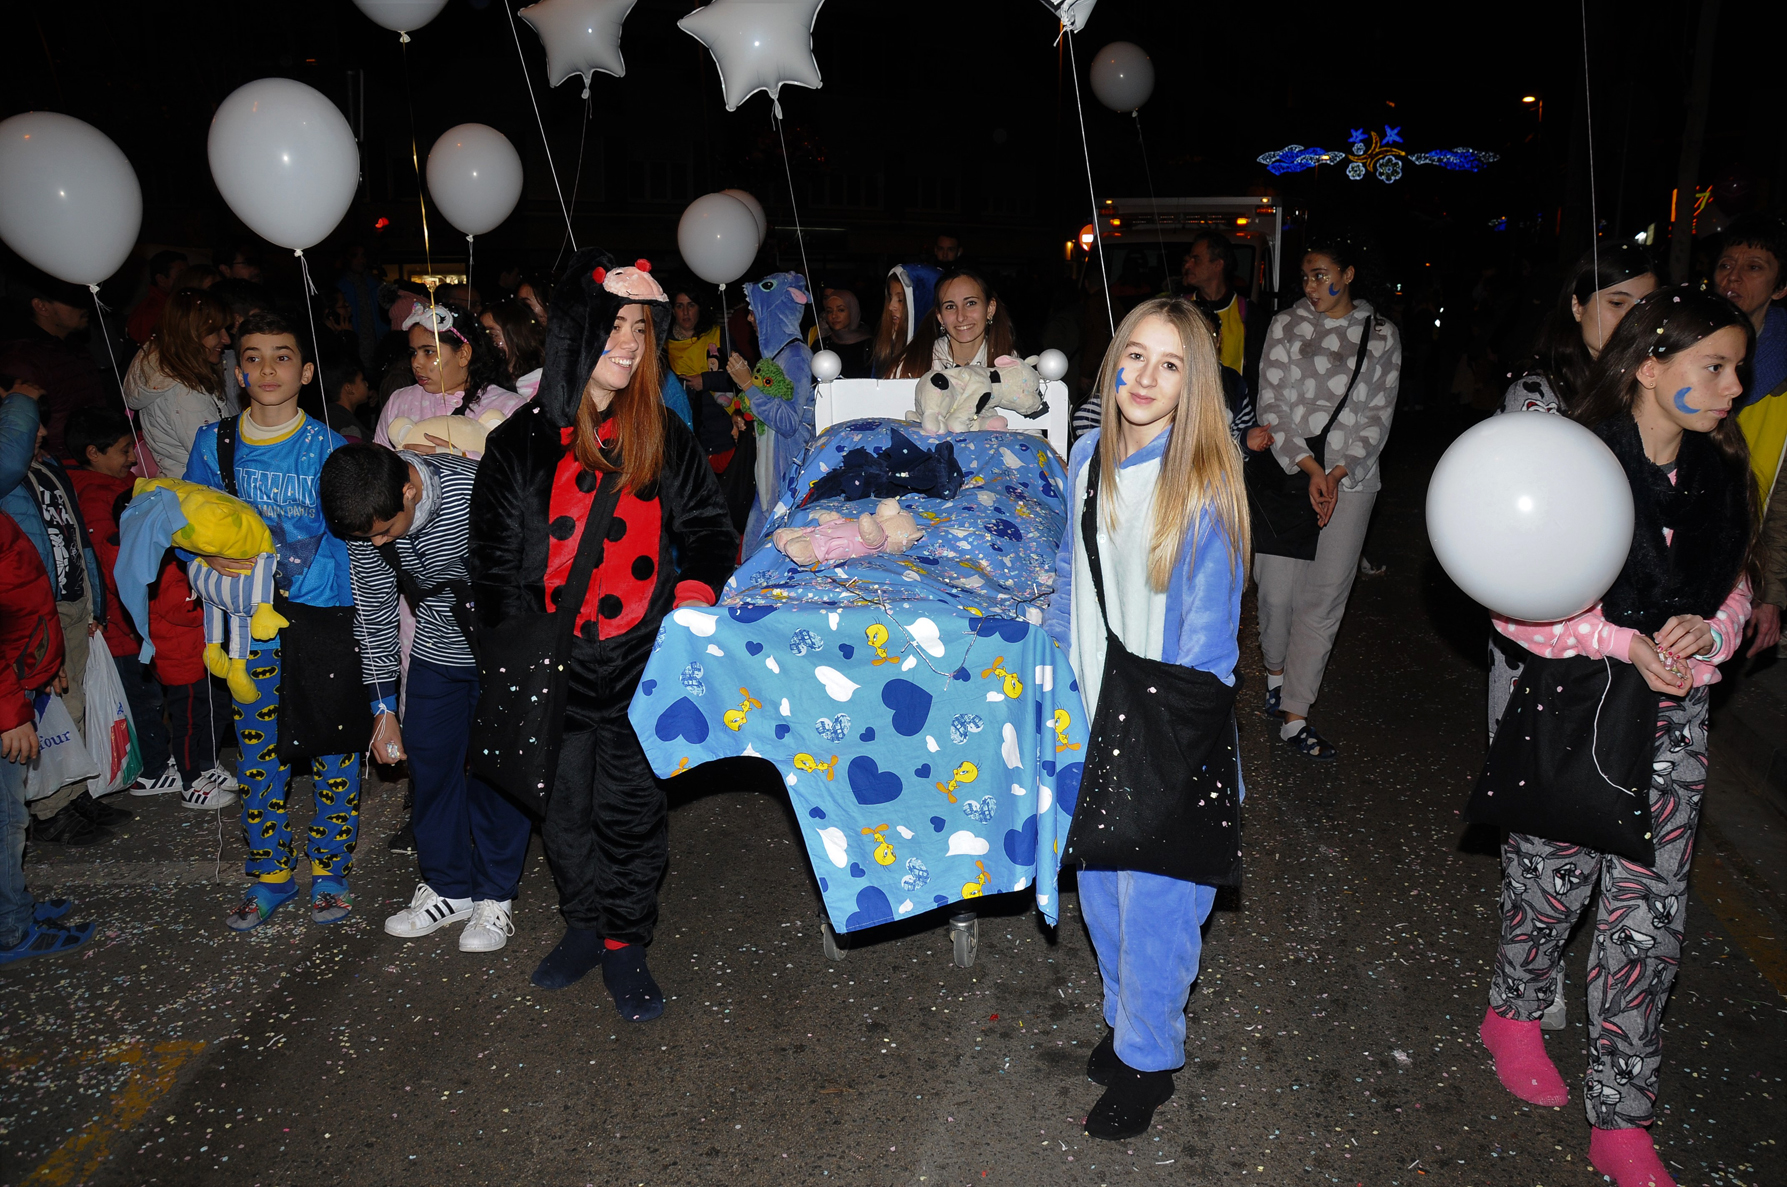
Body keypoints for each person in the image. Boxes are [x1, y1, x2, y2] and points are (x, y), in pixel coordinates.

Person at [1477, 287, 1753, 1187]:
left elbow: (1735, 586)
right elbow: (1513, 603)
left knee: (1647, 924)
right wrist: (1617, 640)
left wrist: (1710, 632)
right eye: (1713, 366)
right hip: (1579, 705)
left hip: (1676, 724)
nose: (1733, 386)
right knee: (1549, 886)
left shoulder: (1720, 474)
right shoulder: (1573, 460)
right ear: (1647, 365)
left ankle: (1621, 1117)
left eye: (1736, 367)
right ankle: (1513, 1013)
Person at [467, 250, 737, 1020]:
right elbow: (491, 566)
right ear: (576, 331)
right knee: (561, 814)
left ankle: (624, 940)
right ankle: (583, 923)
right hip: (551, 671)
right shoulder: (516, 445)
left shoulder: (662, 432)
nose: (628, 343)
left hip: (637, 664)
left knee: (630, 814)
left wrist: (689, 601)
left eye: (640, 330)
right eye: (614, 325)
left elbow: (709, 532)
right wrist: (517, 657)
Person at [1041, 296, 1250, 1140]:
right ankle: (1124, 1019)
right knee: (1102, 896)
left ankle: (1148, 1058)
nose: (1144, 376)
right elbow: (1069, 580)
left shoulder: (1200, 485)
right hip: (1095, 720)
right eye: (1134, 354)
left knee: (1157, 910)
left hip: (1167, 735)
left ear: (1192, 383)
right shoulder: (1085, 457)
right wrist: (1054, 681)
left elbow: (1209, 647)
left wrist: (1173, 752)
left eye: (1169, 364)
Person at [183, 311, 360, 931]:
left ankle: (331, 870)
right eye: (252, 357)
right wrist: (202, 555)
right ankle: (270, 874)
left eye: (282, 356)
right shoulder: (214, 443)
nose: (267, 369)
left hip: (325, 618)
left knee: (335, 747)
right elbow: (184, 521)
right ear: (237, 372)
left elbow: (354, 546)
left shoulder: (331, 448)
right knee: (259, 756)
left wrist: (361, 633)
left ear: (306, 372)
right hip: (247, 626)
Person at [322, 442, 530, 954]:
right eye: (365, 538)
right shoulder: (367, 514)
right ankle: (448, 887)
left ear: (410, 490)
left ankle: (494, 894)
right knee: (431, 767)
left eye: (384, 532)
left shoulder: (477, 492)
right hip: (437, 649)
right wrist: (382, 708)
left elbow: (529, 576)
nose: (376, 544)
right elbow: (375, 612)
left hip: (503, 647)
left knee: (497, 775)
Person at [1489, 245, 1658, 739]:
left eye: (1645, 307)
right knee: (1535, 757)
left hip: (1633, 614)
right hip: (1546, 615)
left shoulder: (1660, 392)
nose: (1631, 320)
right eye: (1617, 302)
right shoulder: (1536, 397)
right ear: (1578, 306)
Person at [1253, 236, 1402, 759]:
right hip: (1287, 474)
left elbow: (1378, 415)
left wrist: (1337, 473)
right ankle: (1275, 677)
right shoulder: (1285, 325)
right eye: (1306, 276)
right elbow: (1272, 403)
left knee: (1322, 601)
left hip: (1351, 481)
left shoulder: (1381, 334)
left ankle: (1296, 715)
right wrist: (1311, 467)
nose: (1312, 286)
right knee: (1275, 594)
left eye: (1321, 274)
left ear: (1349, 274)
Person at [1, 387, 118, 843]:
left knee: (77, 705)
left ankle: (75, 792)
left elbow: (75, 536)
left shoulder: (48, 468)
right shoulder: (9, 479)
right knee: (50, 712)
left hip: (71, 602)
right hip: (40, 612)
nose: (40, 431)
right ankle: (51, 808)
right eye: (30, 423)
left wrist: (93, 603)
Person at [63, 407, 178, 797]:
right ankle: (153, 770)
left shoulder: (116, 485)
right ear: (94, 453)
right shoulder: (95, 497)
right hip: (121, 624)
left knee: (147, 694)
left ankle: (158, 760)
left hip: (131, 618)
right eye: (125, 450)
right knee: (142, 698)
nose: (132, 458)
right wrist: (134, 614)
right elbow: (113, 567)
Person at [0, 508, 97, 964]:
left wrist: (43, 664)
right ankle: (10, 928)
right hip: (5, 695)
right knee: (6, 819)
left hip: (16, 674)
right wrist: (7, 711)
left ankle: (12, 905)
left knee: (10, 813)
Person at [1720, 217, 1787, 659]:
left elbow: (1782, 497)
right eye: (1726, 264)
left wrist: (1770, 593)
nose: (1734, 276)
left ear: (1780, 288)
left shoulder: (1782, 376)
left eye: (1754, 267)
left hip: (1738, 562)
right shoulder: (1674, 347)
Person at [725, 272, 817, 547]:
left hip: (788, 481)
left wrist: (747, 385)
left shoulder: (797, 356)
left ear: (774, 312)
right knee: (754, 553)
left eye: (754, 312)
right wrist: (748, 417)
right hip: (769, 477)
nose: (749, 319)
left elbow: (788, 422)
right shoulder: (776, 357)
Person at [373, 302, 523, 455]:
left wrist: (462, 460)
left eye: (428, 352)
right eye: (413, 353)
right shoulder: (399, 402)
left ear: (463, 354)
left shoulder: (509, 408)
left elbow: (521, 467)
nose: (416, 363)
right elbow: (378, 462)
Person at [0, 271, 114, 461]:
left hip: (94, 459)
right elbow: (19, 427)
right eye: (71, 298)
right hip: (64, 466)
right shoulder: (21, 361)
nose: (85, 304)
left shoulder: (72, 345)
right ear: (41, 306)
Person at [123, 287, 234, 479]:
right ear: (191, 333)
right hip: (204, 489)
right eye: (216, 331)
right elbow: (217, 460)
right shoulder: (185, 390)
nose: (226, 339)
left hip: (185, 484)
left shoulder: (166, 371)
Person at [888, 268, 1018, 379]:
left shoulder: (1009, 363)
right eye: (950, 306)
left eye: (970, 303)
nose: (960, 317)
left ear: (990, 308)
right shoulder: (912, 363)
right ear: (940, 316)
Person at [1180, 231, 1267, 395]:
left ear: (1217, 265)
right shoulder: (1180, 308)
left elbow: (1257, 375)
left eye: (1196, 259)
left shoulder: (1248, 312)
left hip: (1234, 406)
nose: (1188, 265)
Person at [480, 298, 546, 401]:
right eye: (481, 336)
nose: (485, 342)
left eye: (492, 335)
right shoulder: (483, 383)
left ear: (517, 336)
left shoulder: (541, 384)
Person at [126, 250, 190, 346]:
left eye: (189, 274)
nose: (188, 279)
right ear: (161, 279)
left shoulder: (175, 303)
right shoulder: (153, 313)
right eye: (180, 275)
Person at [336, 244, 383, 366]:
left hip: (376, 346)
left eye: (363, 256)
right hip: (352, 347)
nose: (360, 260)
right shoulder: (340, 288)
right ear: (347, 258)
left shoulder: (375, 285)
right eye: (355, 256)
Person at [312, 347, 372, 441]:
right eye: (362, 380)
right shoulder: (347, 428)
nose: (366, 384)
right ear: (349, 388)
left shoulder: (331, 417)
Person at [814, 288, 872, 378]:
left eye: (841, 310)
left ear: (852, 310)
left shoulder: (871, 346)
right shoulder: (820, 345)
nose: (834, 315)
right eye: (829, 311)